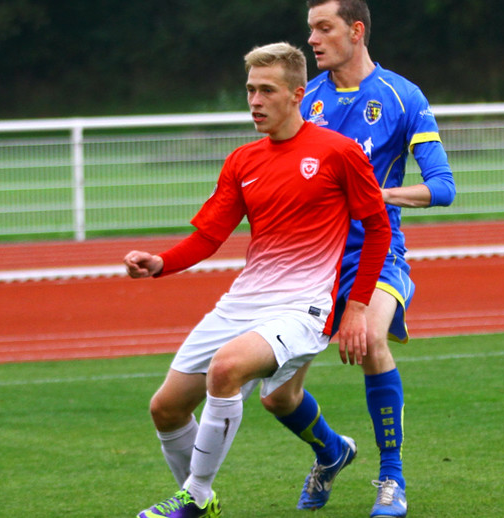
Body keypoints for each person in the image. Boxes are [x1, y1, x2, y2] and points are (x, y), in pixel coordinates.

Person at [125, 41, 392, 518]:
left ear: (297, 94)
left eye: (267, 90)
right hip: (243, 302)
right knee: (165, 408)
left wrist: (355, 308)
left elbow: (378, 228)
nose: (255, 101)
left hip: (304, 308)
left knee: (226, 369)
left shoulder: (339, 152)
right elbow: (209, 236)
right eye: (250, 90)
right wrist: (161, 262)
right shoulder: (242, 161)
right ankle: (196, 498)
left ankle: (197, 497)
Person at [261, 2, 457, 517]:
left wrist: (375, 196)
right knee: (276, 397)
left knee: (369, 337)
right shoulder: (306, 99)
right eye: (310, 29)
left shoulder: (402, 96)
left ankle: (392, 478)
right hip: (312, 261)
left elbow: (442, 187)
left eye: (323, 28)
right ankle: (331, 451)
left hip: (378, 249)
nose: (312, 40)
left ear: (356, 30)